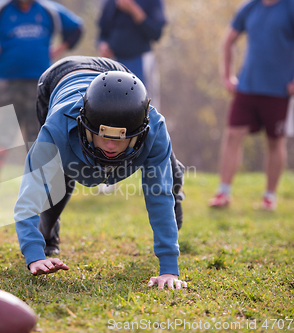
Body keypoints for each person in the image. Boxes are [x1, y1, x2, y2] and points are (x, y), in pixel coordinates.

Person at [14, 56, 187, 289]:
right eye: (103, 136)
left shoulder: (154, 127)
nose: (111, 146)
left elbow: (158, 195)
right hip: (56, 78)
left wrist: (169, 268)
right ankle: (48, 235)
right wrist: (34, 254)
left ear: (139, 133)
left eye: (121, 138)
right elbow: (30, 195)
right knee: (59, 171)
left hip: (117, 74)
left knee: (167, 178)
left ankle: (176, 184)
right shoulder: (56, 129)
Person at [209, 0, 294, 210]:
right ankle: (223, 193)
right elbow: (228, 40)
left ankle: (269, 197)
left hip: (279, 91)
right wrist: (228, 76)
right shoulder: (250, 6)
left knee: (275, 142)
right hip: (247, 87)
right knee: (232, 135)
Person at [0, 0, 83, 187]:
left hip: (40, 82)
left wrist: (58, 50)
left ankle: (39, 180)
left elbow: (76, 29)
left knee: (39, 132)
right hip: (7, 80)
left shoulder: (48, 10)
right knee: (1, 130)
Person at [98, 0, 166, 111]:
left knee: (146, 107)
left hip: (140, 61)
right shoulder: (111, 2)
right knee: (114, 108)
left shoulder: (152, 2)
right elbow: (102, 33)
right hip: (115, 63)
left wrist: (133, 10)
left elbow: (156, 33)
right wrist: (102, 44)